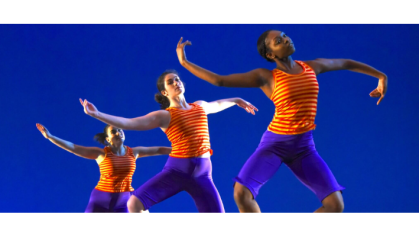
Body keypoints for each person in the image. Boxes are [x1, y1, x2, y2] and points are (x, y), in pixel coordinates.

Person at [175, 31, 388, 213]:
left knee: (335, 205)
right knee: (241, 193)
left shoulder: (312, 67)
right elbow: (219, 80)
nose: (286, 40)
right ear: (270, 54)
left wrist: (380, 76)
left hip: (304, 147)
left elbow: (346, 63)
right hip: (275, 145)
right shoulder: (266, 77)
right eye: (279, 41)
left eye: (285, 36)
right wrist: (184, 62)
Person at [79, 70, 258, 213]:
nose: (176, 83)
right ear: (165, 92)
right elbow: (130, 123)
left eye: (177, 79)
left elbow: (218, 104)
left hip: (203, 175)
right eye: (170, 82)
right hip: (177, 170)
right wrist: (97, 114)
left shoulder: (200, 106)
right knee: (134, 203)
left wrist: (237, 100)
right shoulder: (165, 116)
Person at [36, 123, 171, 213]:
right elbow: (73, 147)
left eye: (120, 130)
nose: (118, 133)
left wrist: (183, 150)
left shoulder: (134, 152)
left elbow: (159, 149)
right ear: (108, 139)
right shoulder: (101, 153)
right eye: (113, 132)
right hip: (101, 198)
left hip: (123, 199)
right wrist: (50, 137)